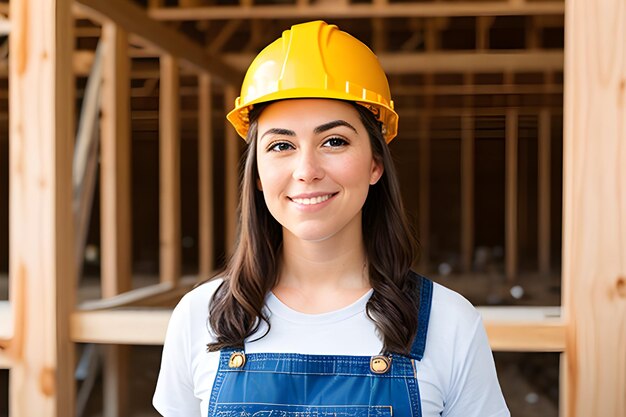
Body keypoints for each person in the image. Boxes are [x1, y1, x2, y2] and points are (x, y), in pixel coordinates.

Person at [153, 20, 510, 417]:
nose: (306, 169)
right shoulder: (201, 316)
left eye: (334, 141)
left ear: (375, 164)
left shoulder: (449, 322)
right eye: (281, 145)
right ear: (257, 173)